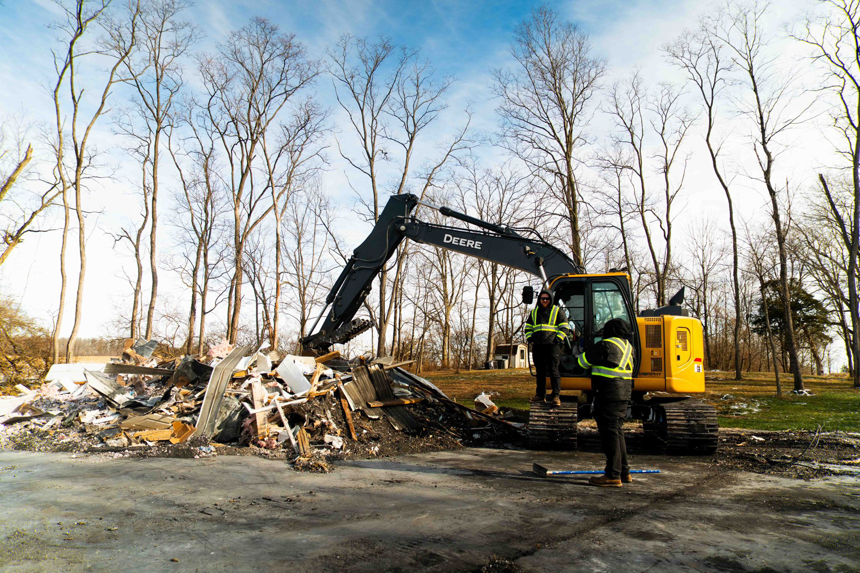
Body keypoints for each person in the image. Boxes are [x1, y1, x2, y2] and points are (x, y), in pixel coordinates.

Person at [577, 318, 634, 487]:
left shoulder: (606, 345)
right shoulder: (629, 347)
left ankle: (612, 475)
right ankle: (624, 471)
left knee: (609, 434)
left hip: (607, 393)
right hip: (624, 393)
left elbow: (582, 362)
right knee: (617, 431)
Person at [524, 289, 570, 406]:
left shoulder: (557, 311)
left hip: (552, 346)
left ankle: (556, 396)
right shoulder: (534, 313)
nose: (545, 301)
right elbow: (528, 328)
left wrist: (557, 340)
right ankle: (540, 395)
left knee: (554, 371)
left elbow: (564, 327)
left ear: (551, 300)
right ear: (539, 300)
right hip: (538, 346)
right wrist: (531, 339)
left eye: (547, 299)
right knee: (540, 372)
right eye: (542, 298)